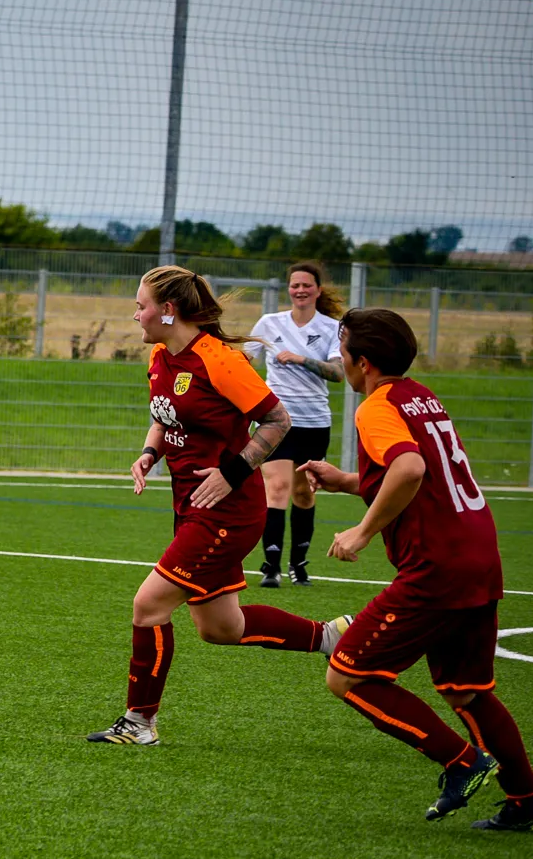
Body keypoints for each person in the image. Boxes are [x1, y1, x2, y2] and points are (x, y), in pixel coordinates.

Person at [87, 266, 350, 747]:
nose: (135, 315)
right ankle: (330, 637)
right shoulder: (161, 356)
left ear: (168, 311)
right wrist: (149, 453)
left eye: (141, 306)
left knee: (148, 605)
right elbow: (163, 415)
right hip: (191, 506)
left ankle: (139, 722)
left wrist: (234, 470)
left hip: (228, 512)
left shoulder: (220, 360)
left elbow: (277, 420)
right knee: (221, 627)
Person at [304, 309, 531, 829]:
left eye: (342, 351)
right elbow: (423, 470)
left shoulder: (376, 406)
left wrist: (362, 531)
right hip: (478, 552)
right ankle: (526, 798)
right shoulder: (421, 395)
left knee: (348, 675)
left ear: (363, 362)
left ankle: (463, 762)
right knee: (466, 689)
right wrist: (347, 480)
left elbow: (409, 468)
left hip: (437, 566)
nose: (340, 359)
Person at [243, 262, 345, 586]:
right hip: (276, 420)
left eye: (306, 285)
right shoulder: (269, 322)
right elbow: (243, 362)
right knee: (276, 488)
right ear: (288, 289)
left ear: (318, 290)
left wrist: (301, 359)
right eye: (295, 285)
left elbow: (338, 373)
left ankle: (298, 565)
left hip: (314, 422)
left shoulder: (332, 327)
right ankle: (270, 567)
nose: (300, 290)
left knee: (303, 492)